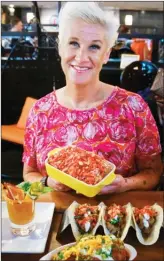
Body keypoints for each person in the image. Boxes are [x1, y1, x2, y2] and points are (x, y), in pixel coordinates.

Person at [23, 2, 163, 194]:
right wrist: (48, 182)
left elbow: (153, 173)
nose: (81, 57)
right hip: (55, 218)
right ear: (60, 48)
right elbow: (29, 173)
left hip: (114, 216)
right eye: (74, 43)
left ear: (106, 54)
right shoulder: (40, 110)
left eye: (94, 47)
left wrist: (124, 185)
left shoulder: (133, 106)